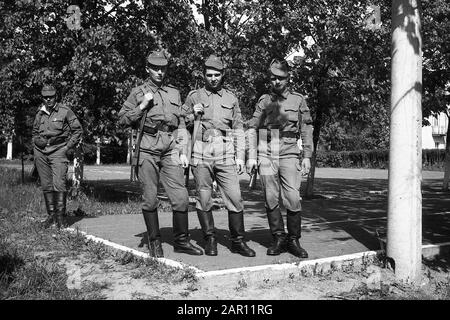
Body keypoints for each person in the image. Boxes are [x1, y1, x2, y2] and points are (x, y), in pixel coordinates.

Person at [118, 50, 203, 258]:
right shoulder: (138, 92)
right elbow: (122, 120)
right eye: (155, 68)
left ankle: (181, 241)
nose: (159, 71)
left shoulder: (174, 92)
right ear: (147, 69)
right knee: (150, 197)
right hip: (147, 146)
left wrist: (183, 149)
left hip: (171, 147)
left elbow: (181, 122)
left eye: (162, 68)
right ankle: (154, 242)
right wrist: (142, 105)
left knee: (181, 196)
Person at [182, 54, 255, 257]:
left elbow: (239, 127)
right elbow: (180, 121)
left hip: (225, 150)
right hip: (201, 149)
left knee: (235, 197)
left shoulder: (231, 98)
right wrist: (190, 115)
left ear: (223, 75)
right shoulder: (193, 96)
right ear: (204, 75)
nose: (213, 78)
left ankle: (238, 242)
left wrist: (241, 156)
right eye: (209, 75)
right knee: (204, 196)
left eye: (217, 75)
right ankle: (210, 239)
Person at [246, 58, 313, 258]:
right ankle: (278, 238)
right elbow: (252, 127)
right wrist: (251, 156)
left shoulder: (298, 99)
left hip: (290, 150)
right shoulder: (264, 101)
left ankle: (293, 240)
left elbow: (306, 128)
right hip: (267, 149)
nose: (276, 82)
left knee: (292, 195)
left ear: (288, 78)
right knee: (270, 196)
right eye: (273, 78)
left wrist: (307, 155)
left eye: (280, 78)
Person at [32, 84, 83, 228]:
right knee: (46, 184)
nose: (48, 100)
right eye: (45, 97)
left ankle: (61, 218)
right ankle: (51, 216)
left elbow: (78, 130)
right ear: (42, 98)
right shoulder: (39, 113)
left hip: (59, 149)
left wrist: (67, 147)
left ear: (56, 96)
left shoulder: (65, 111)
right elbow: (34, 132)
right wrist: (35, 145)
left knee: (59, 183)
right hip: (41, 152)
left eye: (51, 97)